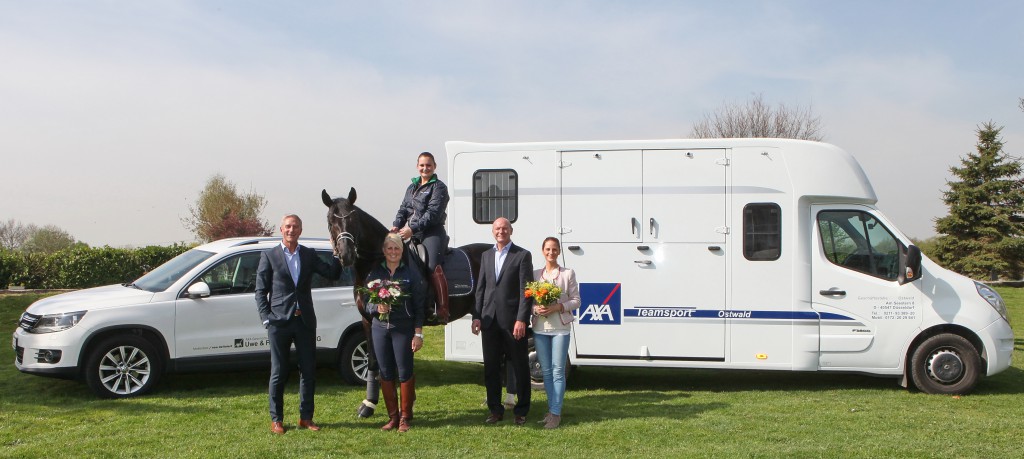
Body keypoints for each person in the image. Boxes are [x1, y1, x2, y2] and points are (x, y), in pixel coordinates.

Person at [255, 214, 341, 435]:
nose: (291, 230)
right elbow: (260, 291)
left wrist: (337, 252)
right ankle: (277, 420)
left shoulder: (308, 255)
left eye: (295, 227)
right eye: (287, 227)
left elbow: (333, 273)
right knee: (278, 372)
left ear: (300, 230)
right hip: (279, 323)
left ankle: (306, 417)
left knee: (308, 371)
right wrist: (266, 318)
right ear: (281, 229)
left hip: (304, 322)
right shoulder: (270, 255)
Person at [472, 217, 533, 426]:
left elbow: (526, 292)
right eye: (497, 228)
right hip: (489, 321)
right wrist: (476, 316)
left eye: (505, 228)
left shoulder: (522, 255)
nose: (501, 231)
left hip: (512, 322)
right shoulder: (486, 255)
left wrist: (521, 319)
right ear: (492, 231)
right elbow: (481, 288)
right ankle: (495, 409)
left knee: (520, 366)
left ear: (511, 230)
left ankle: (521, 410)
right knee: (491, 368)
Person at [364, 233, 427, 432]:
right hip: (380, 329)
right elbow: (366, 303)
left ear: (402, 251)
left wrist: (418, 334)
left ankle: (405, 417)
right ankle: (393, 417)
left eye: (397, 248)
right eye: (389, 248)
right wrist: (376, 308)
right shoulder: (375, 273)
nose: (393, 252)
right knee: (385, 372)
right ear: (384, 251)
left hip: (403, 328)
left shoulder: (410, 273)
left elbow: (419, 306)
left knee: (405, 371)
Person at [531, 237, 581, 429]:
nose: (551, 253)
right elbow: (529, 304)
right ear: (542, 251)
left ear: (559, 252)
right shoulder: (536, 275)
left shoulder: (568, 274)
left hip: (560, 329)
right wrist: (537, 310)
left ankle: (556, 413)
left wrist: (558, 306)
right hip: (540, 329)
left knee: (559, 371)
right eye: (548, 249)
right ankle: (551, 410)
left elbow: (576, 301)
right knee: (546, 372)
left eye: (554, 249)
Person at [391, 151, 450, 273]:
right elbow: (403, 208)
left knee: (432, 267)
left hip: (432, 232)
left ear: (434, 166)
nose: (425, 168)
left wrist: (411, 229)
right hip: (412, 233)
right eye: (422, 165)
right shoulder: (411, 187)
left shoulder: (439, 187)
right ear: (417, 166)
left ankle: (439, 292)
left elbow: (432, 214)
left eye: (428, 165)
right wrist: (397, 225)